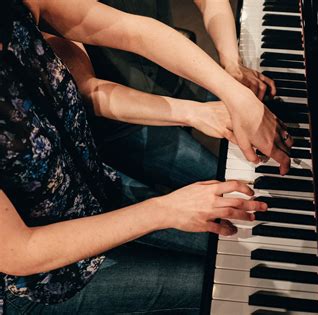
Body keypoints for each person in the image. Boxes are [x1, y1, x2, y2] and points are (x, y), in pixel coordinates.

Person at [0, 0, 293, 314]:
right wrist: (165, 209)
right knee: (226, 286)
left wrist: (235, 97)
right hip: (41, 281)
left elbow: (132, 32)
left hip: (95, 191)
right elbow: (22, 251)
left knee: (246, 240)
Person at [85, 0, 278, 190]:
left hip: (175, 75)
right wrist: (197, 113)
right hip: (121, 121)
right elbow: (88, 89)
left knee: (270, 112)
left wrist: (232, 64)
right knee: (235, 188)